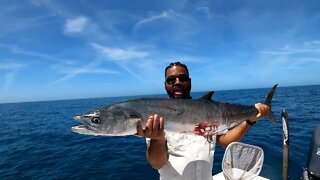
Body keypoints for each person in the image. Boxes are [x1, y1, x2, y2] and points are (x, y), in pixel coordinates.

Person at [136, 62, 270, 180]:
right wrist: (157, 140)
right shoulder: (157, 117)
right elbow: (157, 163)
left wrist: (250, 121)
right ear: (165, 85)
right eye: (171, 80)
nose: (177, 82)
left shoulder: (209, 112)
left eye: (182, 78)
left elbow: (224, 141)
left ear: (189, 81)